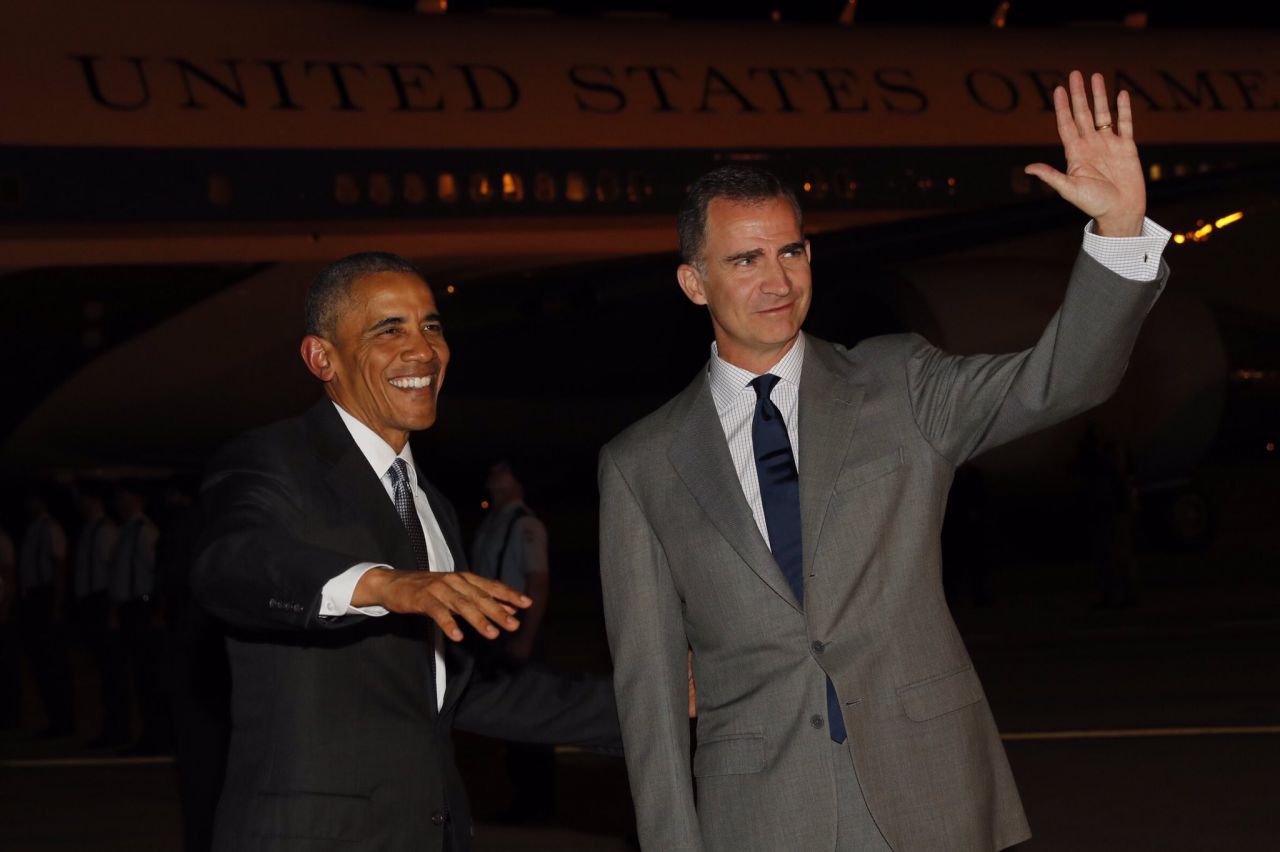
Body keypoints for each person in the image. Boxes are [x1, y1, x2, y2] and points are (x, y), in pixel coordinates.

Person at [598, 71, 1170, 851]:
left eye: (792, 250)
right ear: (693, 282)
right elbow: (650, 701)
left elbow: (1060, 380)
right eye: (745, 261)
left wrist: (1121, 228)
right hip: (761, 818)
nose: (777, 280)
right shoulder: (641, 465)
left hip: (927, 796)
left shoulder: (900, 383)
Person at [191, 252, 620, 852]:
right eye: (389, 329)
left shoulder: (433, 506)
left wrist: (651, 699)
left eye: (432, 326)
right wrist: (384, 584)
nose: (423, 350)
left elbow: (457, 691)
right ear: (323, 357)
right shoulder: (274, 460)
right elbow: (230, 564)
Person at [470, 459, 555, 823]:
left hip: (516, 626)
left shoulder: (525, 524)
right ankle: (523, 800)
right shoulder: (494, 521)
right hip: (492, 628)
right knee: (508, 715)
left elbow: (538, 582)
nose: (495, 476)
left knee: (529, 716)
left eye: (505, 472)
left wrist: (524, 638)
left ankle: (536, 805)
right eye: (493, 473)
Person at [16, 484, 73, 736]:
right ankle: (54, 719)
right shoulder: (33, 528)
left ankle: (63, 720)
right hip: (34, 597)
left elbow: (59, 566)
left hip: (46, 595)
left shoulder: (50, 527)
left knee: (53, 661)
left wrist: (56, 604)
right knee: (41, 662)